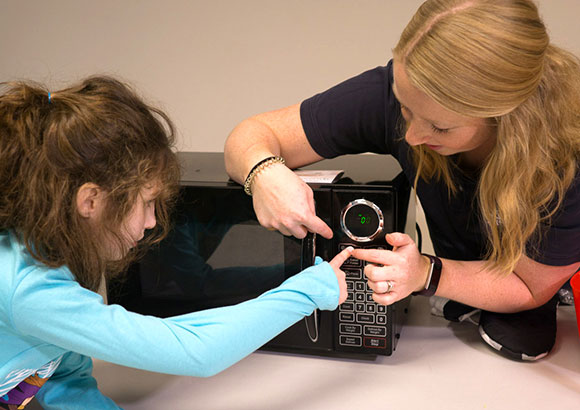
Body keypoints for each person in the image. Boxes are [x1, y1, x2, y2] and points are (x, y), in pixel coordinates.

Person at [224, 0, 580, 362]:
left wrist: (427, 272)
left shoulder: (568, 154)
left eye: (440, 126)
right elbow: (252, 133)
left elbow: (529, 285)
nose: (411, 136)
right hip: (471, 265)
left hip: (537, 275)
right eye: (405, 109)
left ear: (504, 114)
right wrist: (263, 172)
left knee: (521, 335)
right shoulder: (394, 93)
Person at [0, 76, 352, 409]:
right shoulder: (29, 290)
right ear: (90, 201)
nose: (153, 222)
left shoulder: (41, 251)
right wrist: (307, 292)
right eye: (147, 202)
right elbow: (195, 351)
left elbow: (63, 373)